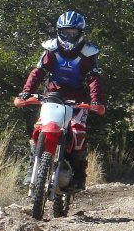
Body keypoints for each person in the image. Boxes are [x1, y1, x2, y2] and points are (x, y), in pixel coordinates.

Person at [18, 10, 105, 191]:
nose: (69, 36)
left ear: (80, 33)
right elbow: (38, 72)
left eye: (73, 32)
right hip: (52, 97)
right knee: (40, 130)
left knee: (78, 134)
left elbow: (93, 79)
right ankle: (31, 172)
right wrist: (26, 93)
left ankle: (79, 177)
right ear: (59, 31)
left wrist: (96, 101)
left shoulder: (88, 54)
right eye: (66, 32)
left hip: (77, 101)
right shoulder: (52, 50)